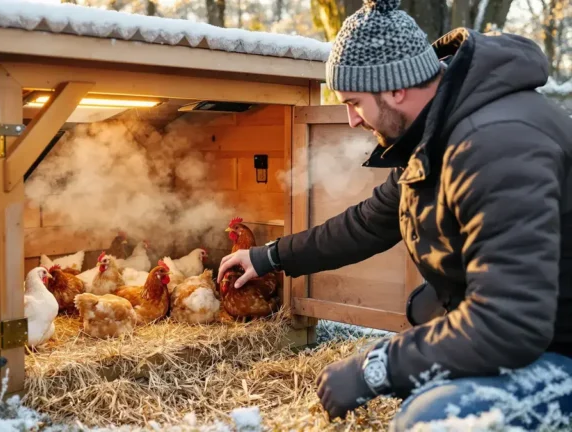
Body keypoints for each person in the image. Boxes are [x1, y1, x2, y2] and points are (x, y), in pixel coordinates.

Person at [216, 0, 572, 429]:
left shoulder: (496, 146)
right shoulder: (437, 133)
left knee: (433, 418)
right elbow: (368, 222)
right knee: (424, 340)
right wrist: (267, 257)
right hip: (539, 329)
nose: (350, 120)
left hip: (553, 341)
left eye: (354, 102)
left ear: (395, 89)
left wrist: (375, 366)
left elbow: (509, 324)